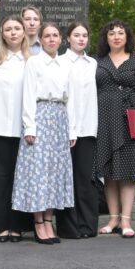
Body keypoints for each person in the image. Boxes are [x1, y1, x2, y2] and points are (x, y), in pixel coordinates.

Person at [12, 23, 75, 245]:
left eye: (55, 36)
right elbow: (28, 95)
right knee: (38, 171)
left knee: (54, 172)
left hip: (59, 119)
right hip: (40, 116)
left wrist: (72, 130)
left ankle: (49, 219)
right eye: (47, 36)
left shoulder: (65, 64)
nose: (51, 39)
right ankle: (38, 222)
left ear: (60, 39)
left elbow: (71, 98)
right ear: (40, 39)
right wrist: (30, 126)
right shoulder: (34, 62)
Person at [94, 20, 135, 238]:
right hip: (103, 119)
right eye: (112, 33)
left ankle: (126, 220)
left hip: (129, 119)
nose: (116, 37)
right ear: (106, 38)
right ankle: (113, 218)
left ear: (127, 37)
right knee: (108, 172)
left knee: (128, 172)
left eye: (120, 33)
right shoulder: (97, 62)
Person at [0, 15, 30, 243]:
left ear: (24, 32)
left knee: (20, 179)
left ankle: (18, 226)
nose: (12, 32)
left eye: (17, 28)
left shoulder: (33, 61)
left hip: (24, 130)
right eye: (8, 29)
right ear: (2, 34)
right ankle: (2, 225)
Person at [56, 22, 99, 239]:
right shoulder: (60, 62)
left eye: (85, 35)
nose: (81, 39)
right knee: (66, 179)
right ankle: (68, 228)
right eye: (76, 35)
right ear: (68, 39)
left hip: (88, 128)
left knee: (86, 179)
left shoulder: (93, 64)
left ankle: (87, 226)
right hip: (65, 129)